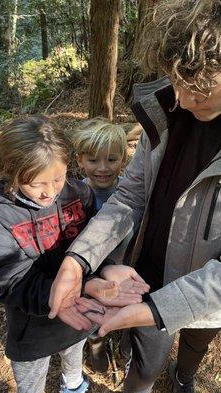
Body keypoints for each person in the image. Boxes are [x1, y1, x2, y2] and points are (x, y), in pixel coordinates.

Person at [49, 1, 221, 393]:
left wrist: (162, 310)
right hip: (145, 273)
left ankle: (184, 375)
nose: (181, 98)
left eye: (200, 89)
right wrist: (79, 259)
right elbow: (130, 195)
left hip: (213, 290)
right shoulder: (166, 109)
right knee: (146, 358)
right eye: (176, 81)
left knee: (198, 336)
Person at [0, 116, 147, 393]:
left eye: (58, 178)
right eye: (37, 183)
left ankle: (74, 389)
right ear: (11, 172)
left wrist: (105, 272)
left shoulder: (79, 193)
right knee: (30, 383)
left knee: (74, 354)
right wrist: (67, 292)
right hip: (32, 328)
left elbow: (92, 248)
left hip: (78, 315)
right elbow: (13, 283)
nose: (50, 192)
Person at [73, 117, 132, 372]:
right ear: (80, 161)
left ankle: (122, 338)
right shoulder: (72, 196)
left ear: (123, 160)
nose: (102, 168)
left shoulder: (131, 195)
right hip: (87, 273)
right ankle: (95, 342)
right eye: (93, 160)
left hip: (122, 267)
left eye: (111, 159)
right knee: (92, 311)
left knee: (122, 305)